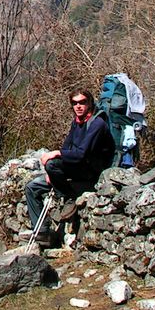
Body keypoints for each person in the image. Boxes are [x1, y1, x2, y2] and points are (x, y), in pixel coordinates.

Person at [25, 88, 114, 245]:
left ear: (90, 103)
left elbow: (80, 154)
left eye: (82, 102)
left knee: (52, 164)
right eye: (74, 103)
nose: (78, 106)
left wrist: (55, 157)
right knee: (32, 187)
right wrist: (51, 172)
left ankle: (68, 198)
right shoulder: (77, 123)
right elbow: (67, 147)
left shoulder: (97, 124)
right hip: (74, 170)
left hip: (89, 173)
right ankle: (42, 232)